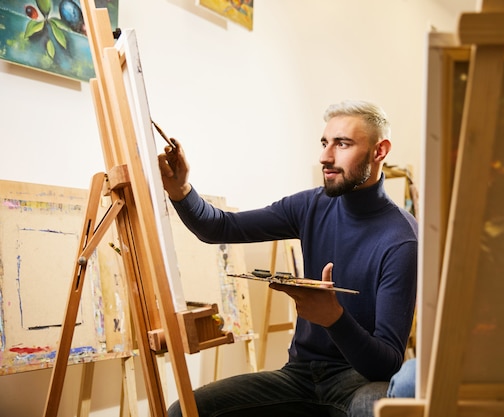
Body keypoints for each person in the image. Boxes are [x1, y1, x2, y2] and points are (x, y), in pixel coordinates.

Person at [158, 100, 419, 417]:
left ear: (379, 151)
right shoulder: (311, 205)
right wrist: (181, 189)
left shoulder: (402, 239)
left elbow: (387, 363)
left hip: (360, 382)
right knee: (184, 412)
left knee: (374, 410)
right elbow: (219, 227)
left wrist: (334, 319)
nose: (325, 156)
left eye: (342, 144)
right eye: (324, 143)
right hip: (299, 377)